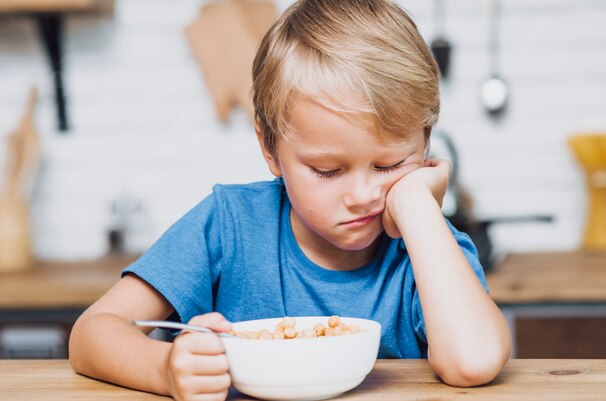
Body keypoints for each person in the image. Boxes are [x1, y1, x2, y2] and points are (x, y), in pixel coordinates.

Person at [69, 1, 511, 400]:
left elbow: (472, 361)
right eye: (327, 171)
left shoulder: (431, 249)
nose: (361, 197)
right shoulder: (231, 224)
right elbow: (91, 334)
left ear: (427, 143)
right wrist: (164, 369)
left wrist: (417, 205)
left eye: (390, 163)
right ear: (269, 148)